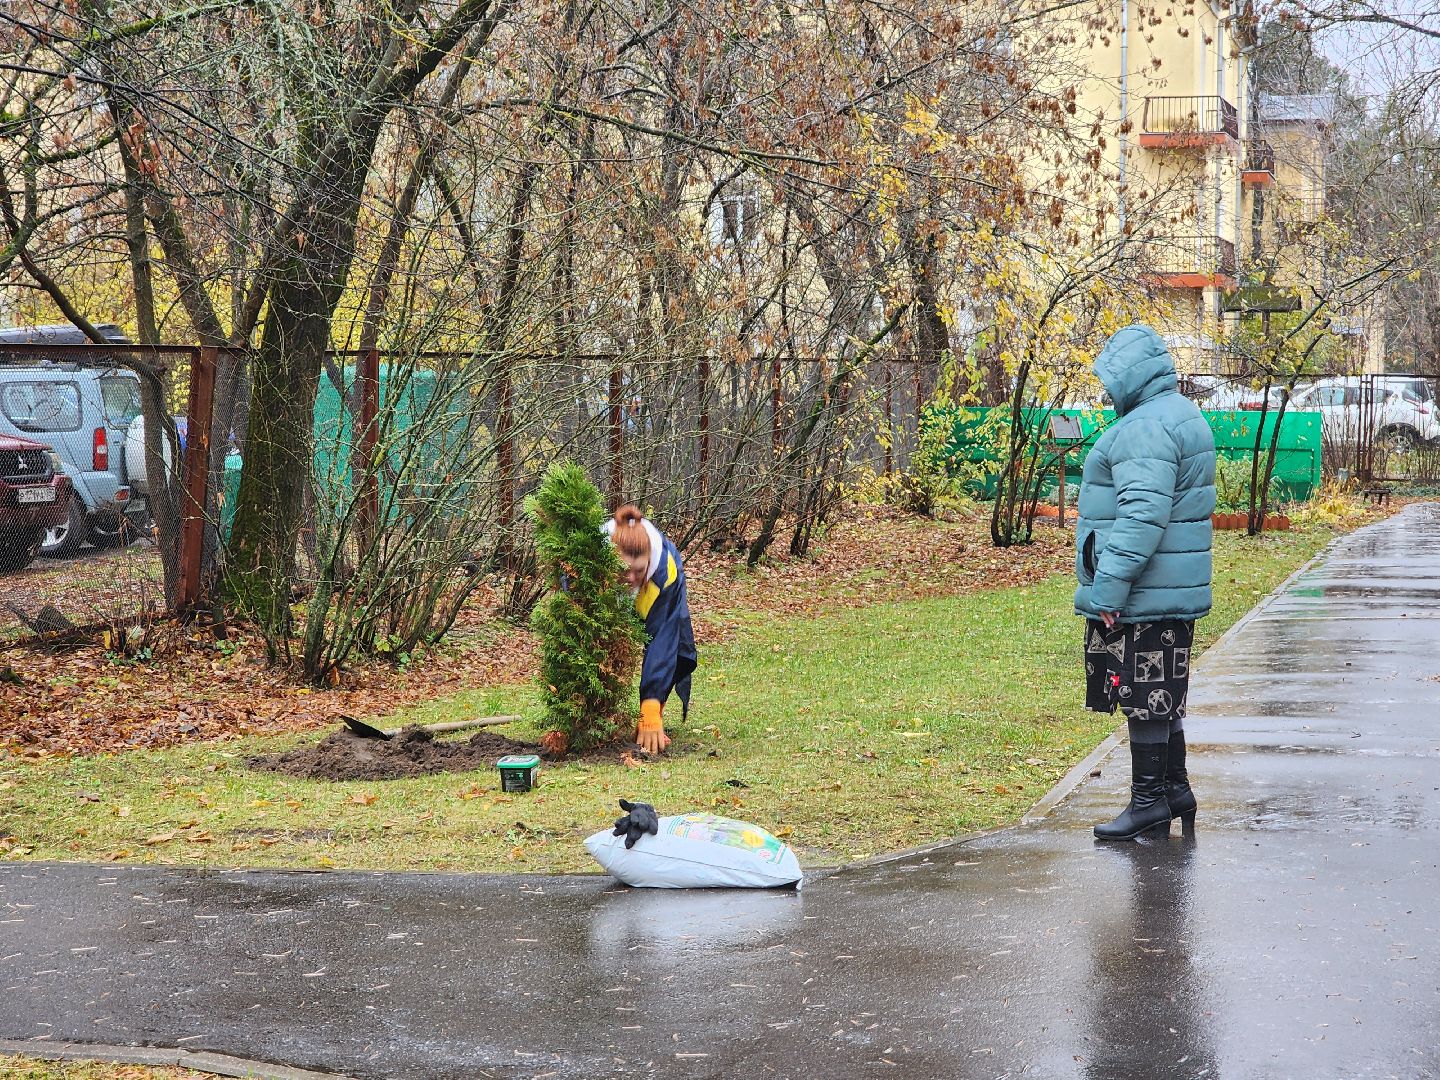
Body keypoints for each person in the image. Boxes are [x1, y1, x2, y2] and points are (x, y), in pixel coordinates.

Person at [1074, 325, 1217, 841]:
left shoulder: (1145, 427)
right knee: (1164, 696)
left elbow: (1141, 517)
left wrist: (1108, 588)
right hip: (1169, 592)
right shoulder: (1180, 413)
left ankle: (1149, 802)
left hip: (1143, 595)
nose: (1106, 391)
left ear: (1131, 375)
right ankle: (1174, 791)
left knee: (1145, 697)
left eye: (1110, 379)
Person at [605, 504, 697, 754]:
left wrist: (651, 704)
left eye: (639, 571)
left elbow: (662, 641)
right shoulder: (592, 559)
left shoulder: (665, 572)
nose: (632, 579)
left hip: (659, 597)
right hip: (605, 603)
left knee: (680, 651)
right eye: (624, 570)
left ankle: (654, 717)